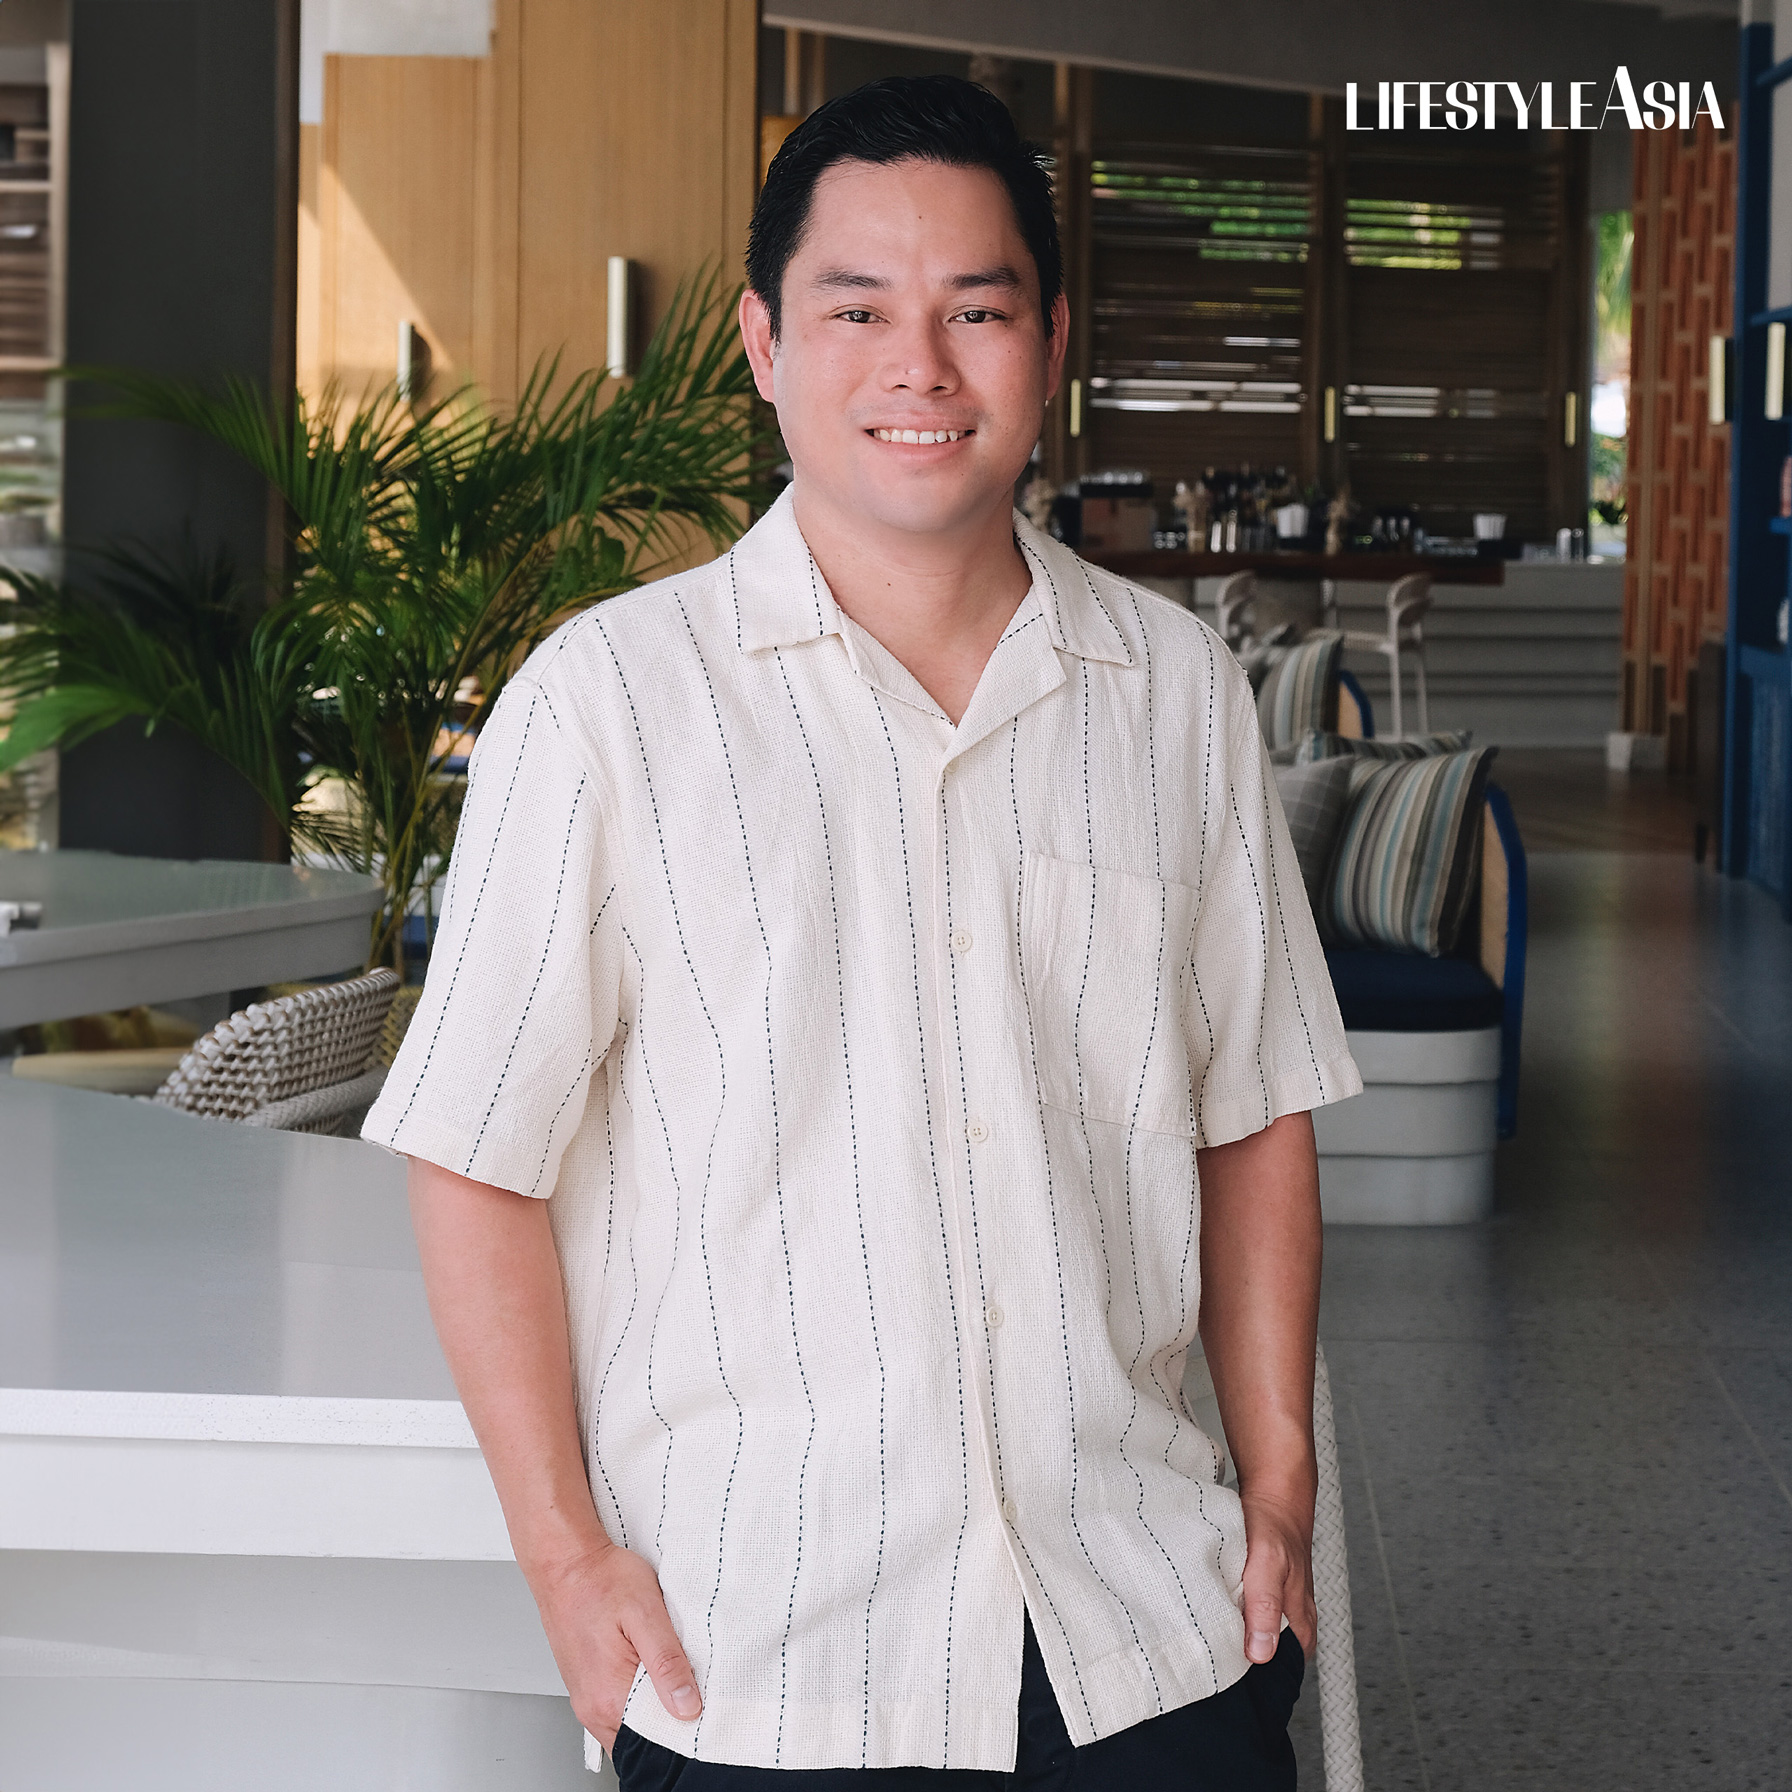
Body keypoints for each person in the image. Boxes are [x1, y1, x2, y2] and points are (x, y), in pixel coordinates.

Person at [362, 74, 1361, 1791]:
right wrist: (564, 1558)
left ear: (1050, 343)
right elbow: (475, 1158)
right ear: (764, 344)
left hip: (1143, 1633)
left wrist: (1279, 1490)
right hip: (766, 1656)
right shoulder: (606, 704)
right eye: (857, 311)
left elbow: (1254, 1110)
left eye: (976, 308)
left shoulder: (1174, 692)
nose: (922, 366)